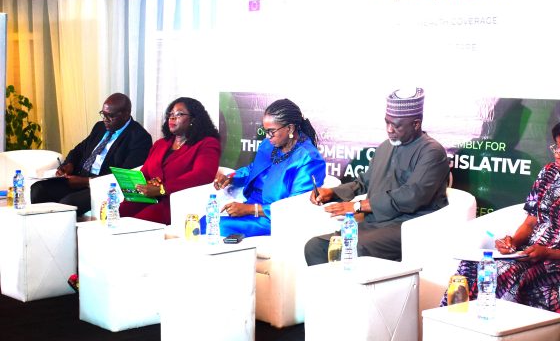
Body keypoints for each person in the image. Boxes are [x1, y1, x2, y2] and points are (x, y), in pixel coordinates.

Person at [304, 87, 450, 265]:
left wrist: (358, 206)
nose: (389, 129)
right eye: (387, 123)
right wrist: (332, 193)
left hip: (409, 226)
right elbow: (364, 182)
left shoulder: (432, 152)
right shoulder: (384, 147)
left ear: (416, 124)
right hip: (376, 223)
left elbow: (412, 195)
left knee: (353, 249)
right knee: (315, 247)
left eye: (396, 125)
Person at [441, 123, 560, 313]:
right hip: (530, 252)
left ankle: (492, 326)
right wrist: (513, 241)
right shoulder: (548, 173)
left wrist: (547, 253)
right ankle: (453, 323)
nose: (557, 154)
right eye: (556, 147)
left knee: (504, 272)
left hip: (553, 260)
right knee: (470, 266)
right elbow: (530, 222)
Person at [209, 98, 326, 237]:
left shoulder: (309, 158)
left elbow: (296, 206)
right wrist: (231, 178)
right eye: (265, 131)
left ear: (290, 128)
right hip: (250, 207)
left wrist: (250, 209)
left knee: (216, 226)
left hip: (273, 219)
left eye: (271, 131)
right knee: (207, 221)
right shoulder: (269, 144)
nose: (267, 136)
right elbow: (253, 169)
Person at [30, 93, 152, 216]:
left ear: (126, 115)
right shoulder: (100, 127)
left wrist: (86, 181)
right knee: (38, 190)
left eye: (110, 116)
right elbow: (79, 150)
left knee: (67, 204)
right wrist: (69, 164)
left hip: (103, 187)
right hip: (77, 178)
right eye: (103, 114)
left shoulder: (139, 137)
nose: (105, 119)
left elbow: (125, 176)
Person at [119, 97, 220, 225]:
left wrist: (162, 189)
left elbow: (202, 175)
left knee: (136, 224)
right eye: (170, 114)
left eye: (179, 114)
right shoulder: (160, 144)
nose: (172, 118)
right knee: (115, 215)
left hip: (174, 203)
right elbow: (145, 172)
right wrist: (142, 183)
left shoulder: (207, 144)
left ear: (193, 119)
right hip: (148, 198)